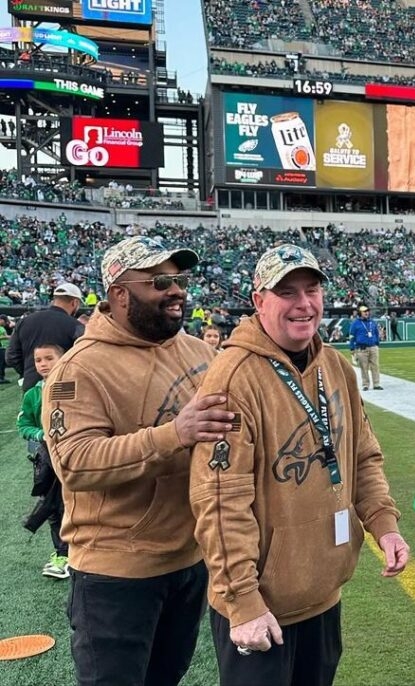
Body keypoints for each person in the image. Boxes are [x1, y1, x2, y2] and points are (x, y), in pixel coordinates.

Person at [190, 244, 409, 686]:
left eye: (312, 289)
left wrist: (383, 523)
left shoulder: (335, 366)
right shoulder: (234, 377)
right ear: (259, 301)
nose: (304, 303)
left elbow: (362, 454)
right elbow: (218, 501)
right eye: (287, 292)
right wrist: (243, 599)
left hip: (322, 594)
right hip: (262, 607)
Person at [42, 235, 233, 686]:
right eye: (159, 281)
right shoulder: (79, 369)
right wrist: (173, 436)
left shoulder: (197, 350)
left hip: (189, 559)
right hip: (116, 574)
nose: (176, 290)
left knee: (167, 677)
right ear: (120, 295)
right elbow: (75, 462)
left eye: (179, 279)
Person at [18, 343, 68, 578]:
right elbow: (23, 424)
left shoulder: (71, 388)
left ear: (63, 359)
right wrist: (39, 434)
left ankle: (77, 553)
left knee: (75, 505)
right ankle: (62, 555)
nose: (44, 364)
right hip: (46, 462)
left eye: (49, 358)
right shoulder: (33, 394)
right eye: (39, 360)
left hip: (71, 459)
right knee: (51, 509)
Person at [7, 282, 84, 392]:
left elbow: (11, 357)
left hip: (31, 386)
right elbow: (83, 359)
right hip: (64, 387)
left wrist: (31, 371)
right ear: (75, 302)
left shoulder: (24, 321)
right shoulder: (76, 326)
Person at [348, 305, 382, 390]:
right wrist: (352, 348)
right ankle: (365, 384)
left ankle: (376, 384)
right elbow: (352, 336)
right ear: (360, 313)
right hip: (361, 348)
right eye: (364, 311)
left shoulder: (372, 322)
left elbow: (376, 333)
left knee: (375, 366)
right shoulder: (355, 323)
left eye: (367, 311)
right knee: (364, 367)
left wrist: (377, 344)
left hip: (373, 347)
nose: (367, 313)